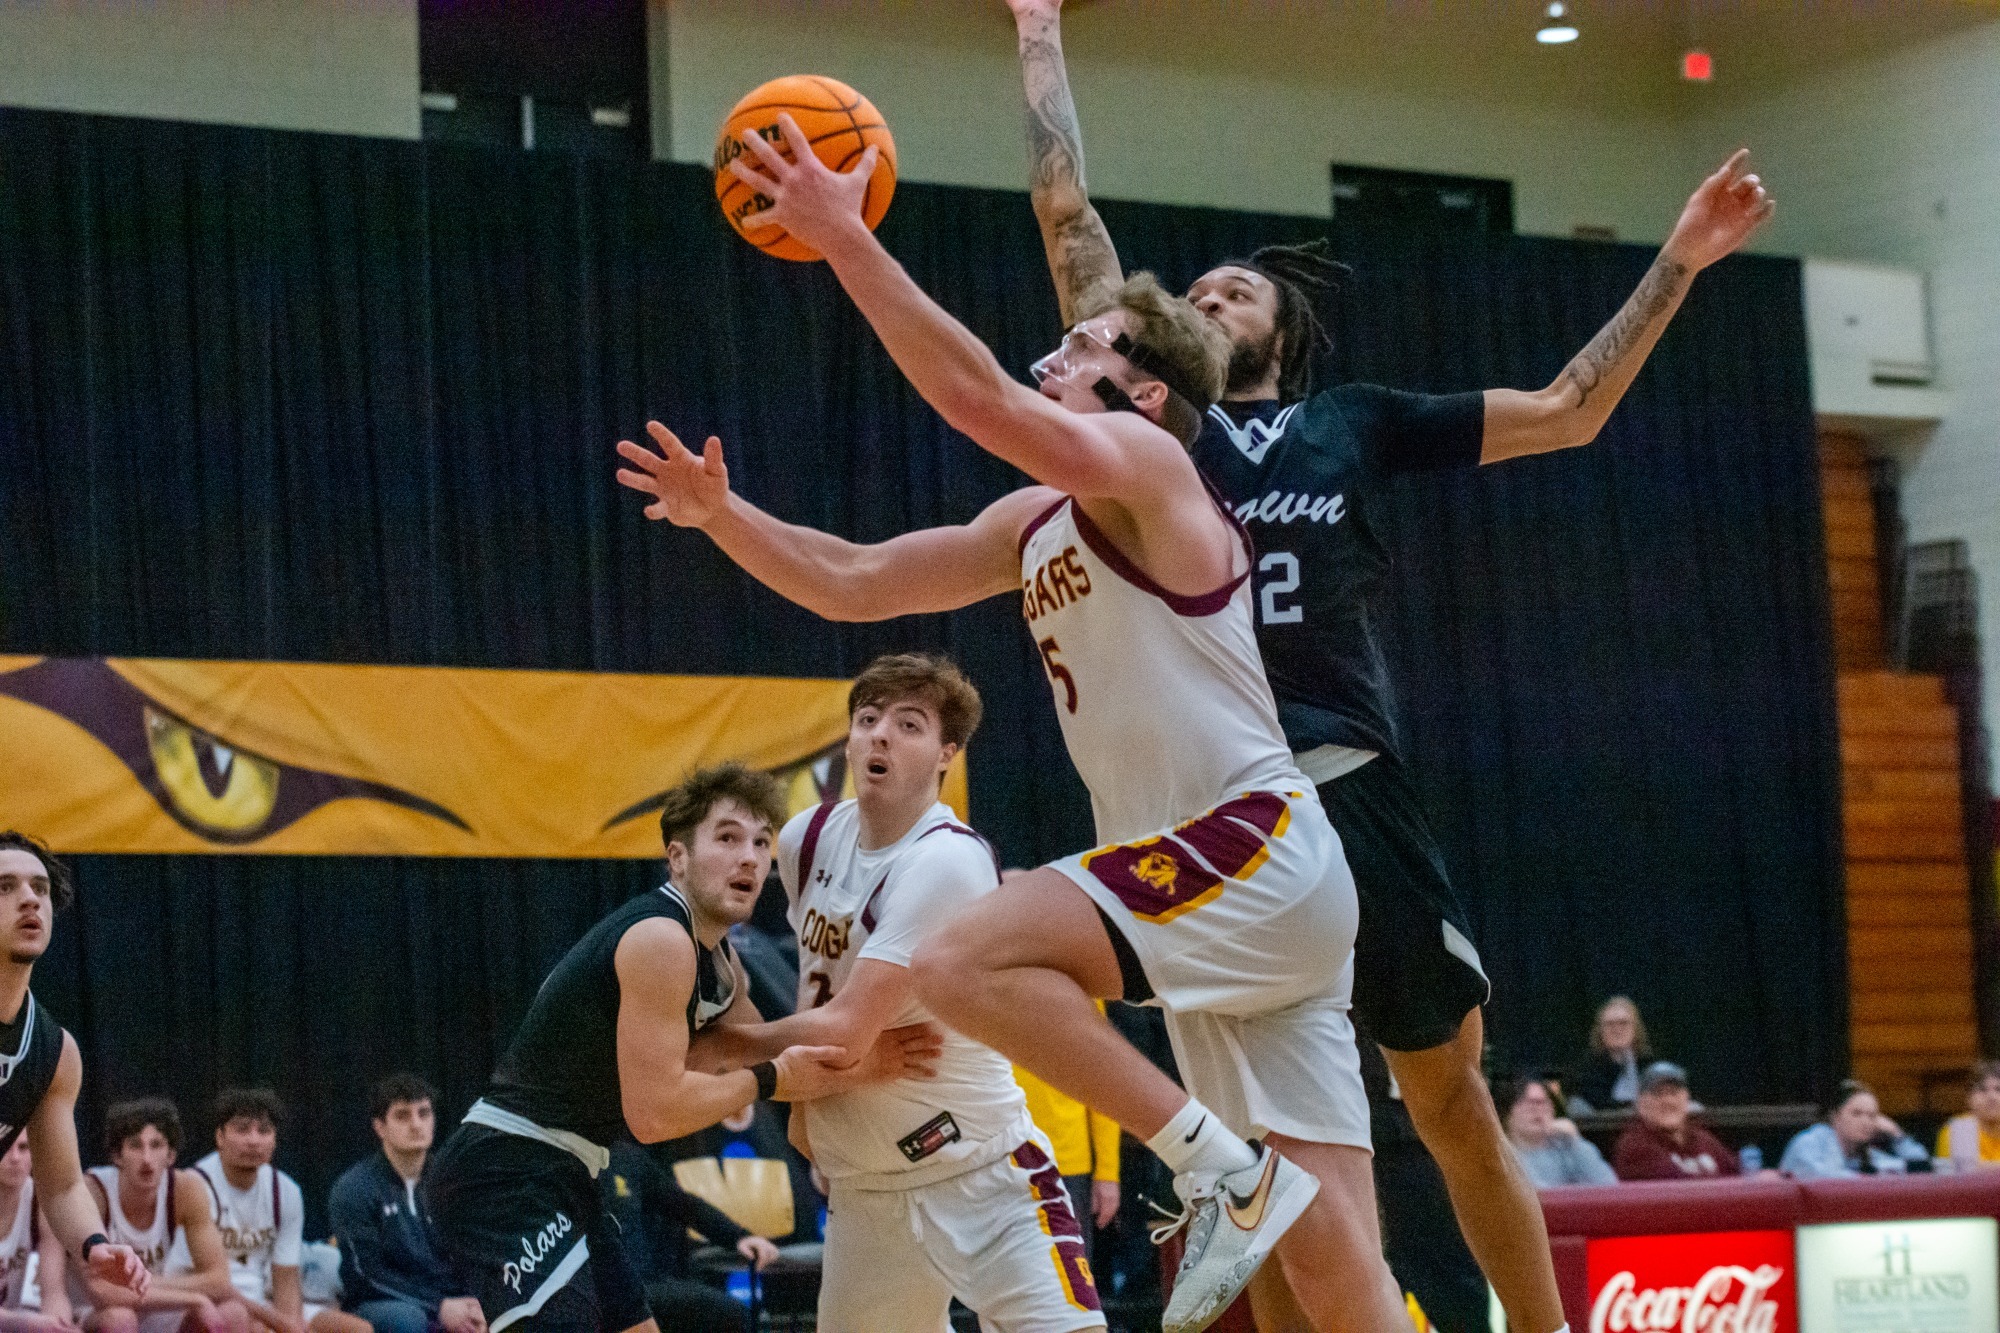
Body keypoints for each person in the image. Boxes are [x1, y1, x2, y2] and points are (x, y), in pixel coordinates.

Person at [1000, 6, 1774, 1332]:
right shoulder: (1142, 436)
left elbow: (1572, 410)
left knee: (1447, 1095)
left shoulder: (1346, 426)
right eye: (1193, 297)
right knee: (1265, 1155)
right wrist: (1038, 33)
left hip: (1347, 783)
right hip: (1213, 808)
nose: (1204, 300)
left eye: (1235, 291)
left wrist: (1682, 262)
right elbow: (1071, 218)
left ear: (1285, 336)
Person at [619, 115, 1409, 1333]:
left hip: (1249, 841)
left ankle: (1219, 1174)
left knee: (958, 959)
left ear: (1140, 391)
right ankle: (1235, 1178)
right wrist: (722, 517)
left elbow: (971, 394)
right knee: (1330, 1254)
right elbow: (851, 580)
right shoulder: (1032, 522)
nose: (1057, 348)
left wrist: (840, 236)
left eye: (1083, 340)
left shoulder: (1150, 469)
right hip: (1223, 900)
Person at [426, 764, 934, 1333]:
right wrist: (773, 1080)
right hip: (503, 1170)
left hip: (570, 1167)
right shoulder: (661, 940)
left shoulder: (721, 963)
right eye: (728, 837)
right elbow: (656, 1114)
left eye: (762, 842)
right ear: (678, 858)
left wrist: (870, 1057)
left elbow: (762, 1043)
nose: (750, 856)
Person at [695, 654, 1105, 1331]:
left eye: (907, 724)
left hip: (979, 1173)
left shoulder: (947, 858)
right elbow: (816, 981)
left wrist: (722, 1046)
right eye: (867, 718)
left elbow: (844, 1030)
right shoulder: (809, 836)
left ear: (947, 752)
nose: (879, 734)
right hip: (866, 1191)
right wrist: (811, 1114)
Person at [0, 835, 150, 1311]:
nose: (29, 898)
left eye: (40, 889)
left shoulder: (54, 1051)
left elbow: (62, 1183)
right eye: (4, 887)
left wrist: (94, 1243)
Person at [165, 1091, 368, 1333]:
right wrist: (275, 1324)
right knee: (239, 1318)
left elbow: (286, 1280)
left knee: (358, 1329)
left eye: (264, 1131)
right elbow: (208, 1285)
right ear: (219, 1136)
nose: (254, 1140)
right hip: (199, 1305)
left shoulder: (286, 1191)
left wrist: (289, 1324)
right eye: (242, 1130)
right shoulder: (194, 1185)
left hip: (260, 1303)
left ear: (274, 1140)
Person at [326, 1077, 481, 1333]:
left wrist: (478, 1303)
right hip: (384, 1302)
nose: (416, 1124)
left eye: (424, 1113)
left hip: (455, 1297)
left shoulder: (452, 1181)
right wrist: (439, 1306)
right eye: (402, 1116)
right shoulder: (354, 1188)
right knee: (407, 1320)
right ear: (380, 1127)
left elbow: (476, 1253)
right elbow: (364, 1274)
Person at [78, 1100, 248, 1333]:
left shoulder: (186, 1188)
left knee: (233, 1313)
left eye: (156, 1145)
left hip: (157, 1304)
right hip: (96, 1311)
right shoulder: (93, 1191)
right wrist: (193, 1298)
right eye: (136, 1146)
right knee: (121, 1320)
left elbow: (218, 1279)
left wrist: (145, 1281)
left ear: (171, 1155)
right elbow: (101, 1291)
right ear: (117, 1156)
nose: (147, 1158)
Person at [601, 1139, 773, 1333]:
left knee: (734, 1315)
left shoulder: (625, 1156)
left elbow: (684, 1204)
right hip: (601, 1290)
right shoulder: (570, 1161)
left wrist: (738, 1236)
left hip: (645, 1285)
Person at [1013, 1059, 1121, 1263]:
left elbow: (1101, 1085)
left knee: (1071, 1272)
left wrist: (1107, 1173)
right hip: (993, 1161)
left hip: (1066, 1166)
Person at [0, 1135, 76, 1333]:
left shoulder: (41, 1200)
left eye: (24, 1148)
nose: (15, 1157)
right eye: (5, 1147)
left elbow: (54, 1292)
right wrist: (28, 1323)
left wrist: (58, 1326)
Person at [1610, 1064, 1737, 1181]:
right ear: (1641, 1104)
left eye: (1674, 1093)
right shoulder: (1634, 1146)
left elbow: (1737, 1176)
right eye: (1658, 1094)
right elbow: (1681, 1193)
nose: (1668, 1101)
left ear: (1686, 1098)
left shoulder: (1704, 1139)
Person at [1780, 1080, 1928, 1179]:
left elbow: (1921, 1167)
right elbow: (1823, 1180)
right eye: (1856, 1114)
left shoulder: (1866, 1154)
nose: (1866, 1122)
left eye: (1872, 1116)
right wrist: (1869, 1180)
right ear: (1835, 1116)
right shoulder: (1809, 1142)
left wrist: (1897, 1135)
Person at [1501, 1079, 1615, 1190]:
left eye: (1543, 1102)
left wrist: (1575, 1141)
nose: (1537, 1109)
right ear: (1507, 1113)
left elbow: (1608, 1185)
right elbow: (1539, 1197)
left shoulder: (1565, 1145)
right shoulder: (1501, 1155)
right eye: (1529, 1103)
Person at [1570, 998, 1653, 1114]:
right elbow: (1597, 1102)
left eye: (1623, 1023)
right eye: (1610, 1024)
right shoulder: (1587, 1068)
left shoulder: (1650, 1064)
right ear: (1600, 1031)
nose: (1617, 1029)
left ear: (1635, 1029)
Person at [1935, 1060, 2000, 1172]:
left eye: (1998, 1090)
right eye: (1982, 1090)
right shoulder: (1957, 1130)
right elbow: (1966, 1174)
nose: (1992, 1097)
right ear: (1969, 1098)